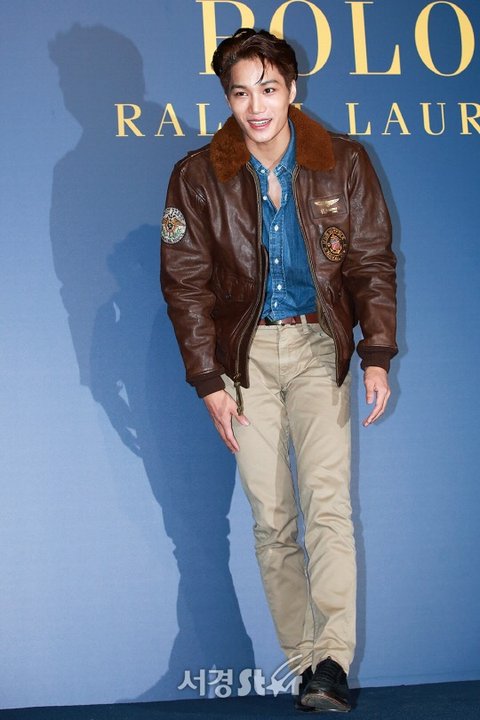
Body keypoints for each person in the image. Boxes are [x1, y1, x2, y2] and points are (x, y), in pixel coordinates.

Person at [160, 28, 397, 713]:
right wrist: (208, 381)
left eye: (268, 89)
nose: (256, 106)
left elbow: (371, 264)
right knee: (271, 518)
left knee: (328, 506)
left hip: (322, 348)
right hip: (245, 362)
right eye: (241, 93)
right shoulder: (197, 175)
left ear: (292, 89)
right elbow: (185, 284)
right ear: (227, 99)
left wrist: (377, 354)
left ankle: (333, 660)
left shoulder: (344, 161)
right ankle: (305, 661)